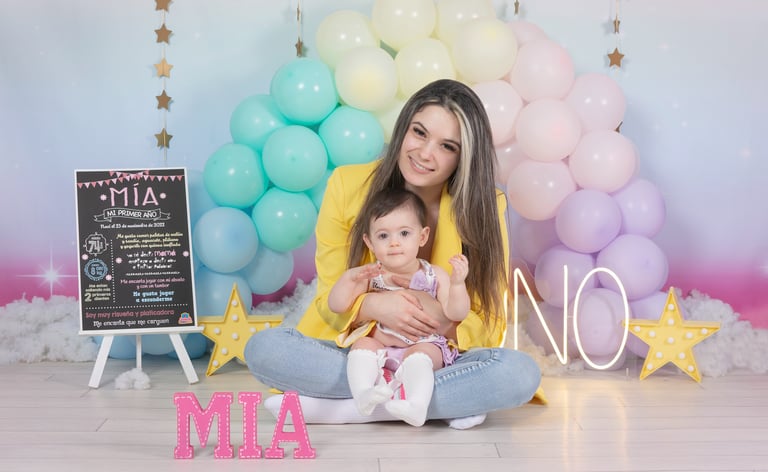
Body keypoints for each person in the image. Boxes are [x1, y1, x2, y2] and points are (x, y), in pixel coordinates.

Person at [245, 78, 542, 429]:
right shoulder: (346, 185)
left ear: (464, 157)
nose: (425, 153)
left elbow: (489, 318)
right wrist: (374, 306)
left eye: (447, 146)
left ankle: (351, 407)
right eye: (419, 132)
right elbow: (329, 297)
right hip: (359, 351)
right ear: (404, 128)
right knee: (264, 349)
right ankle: (425, 401)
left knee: (520, 374)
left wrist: (441, 320)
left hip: (436, 357)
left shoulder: (486, 205)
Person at [328, 187, 471, 426]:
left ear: (422, 237)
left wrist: (457, 284)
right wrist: (349, 278)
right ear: (369, 242)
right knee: (361, 346)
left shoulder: (434, 274)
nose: (394, 243)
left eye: (404, 233)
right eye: (383, 236)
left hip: (423, 345)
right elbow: (337, 305)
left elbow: (456, 313)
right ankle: (364, 394)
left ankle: (416, 406)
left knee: (422, 354)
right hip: (382, 349)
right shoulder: (371, 275)